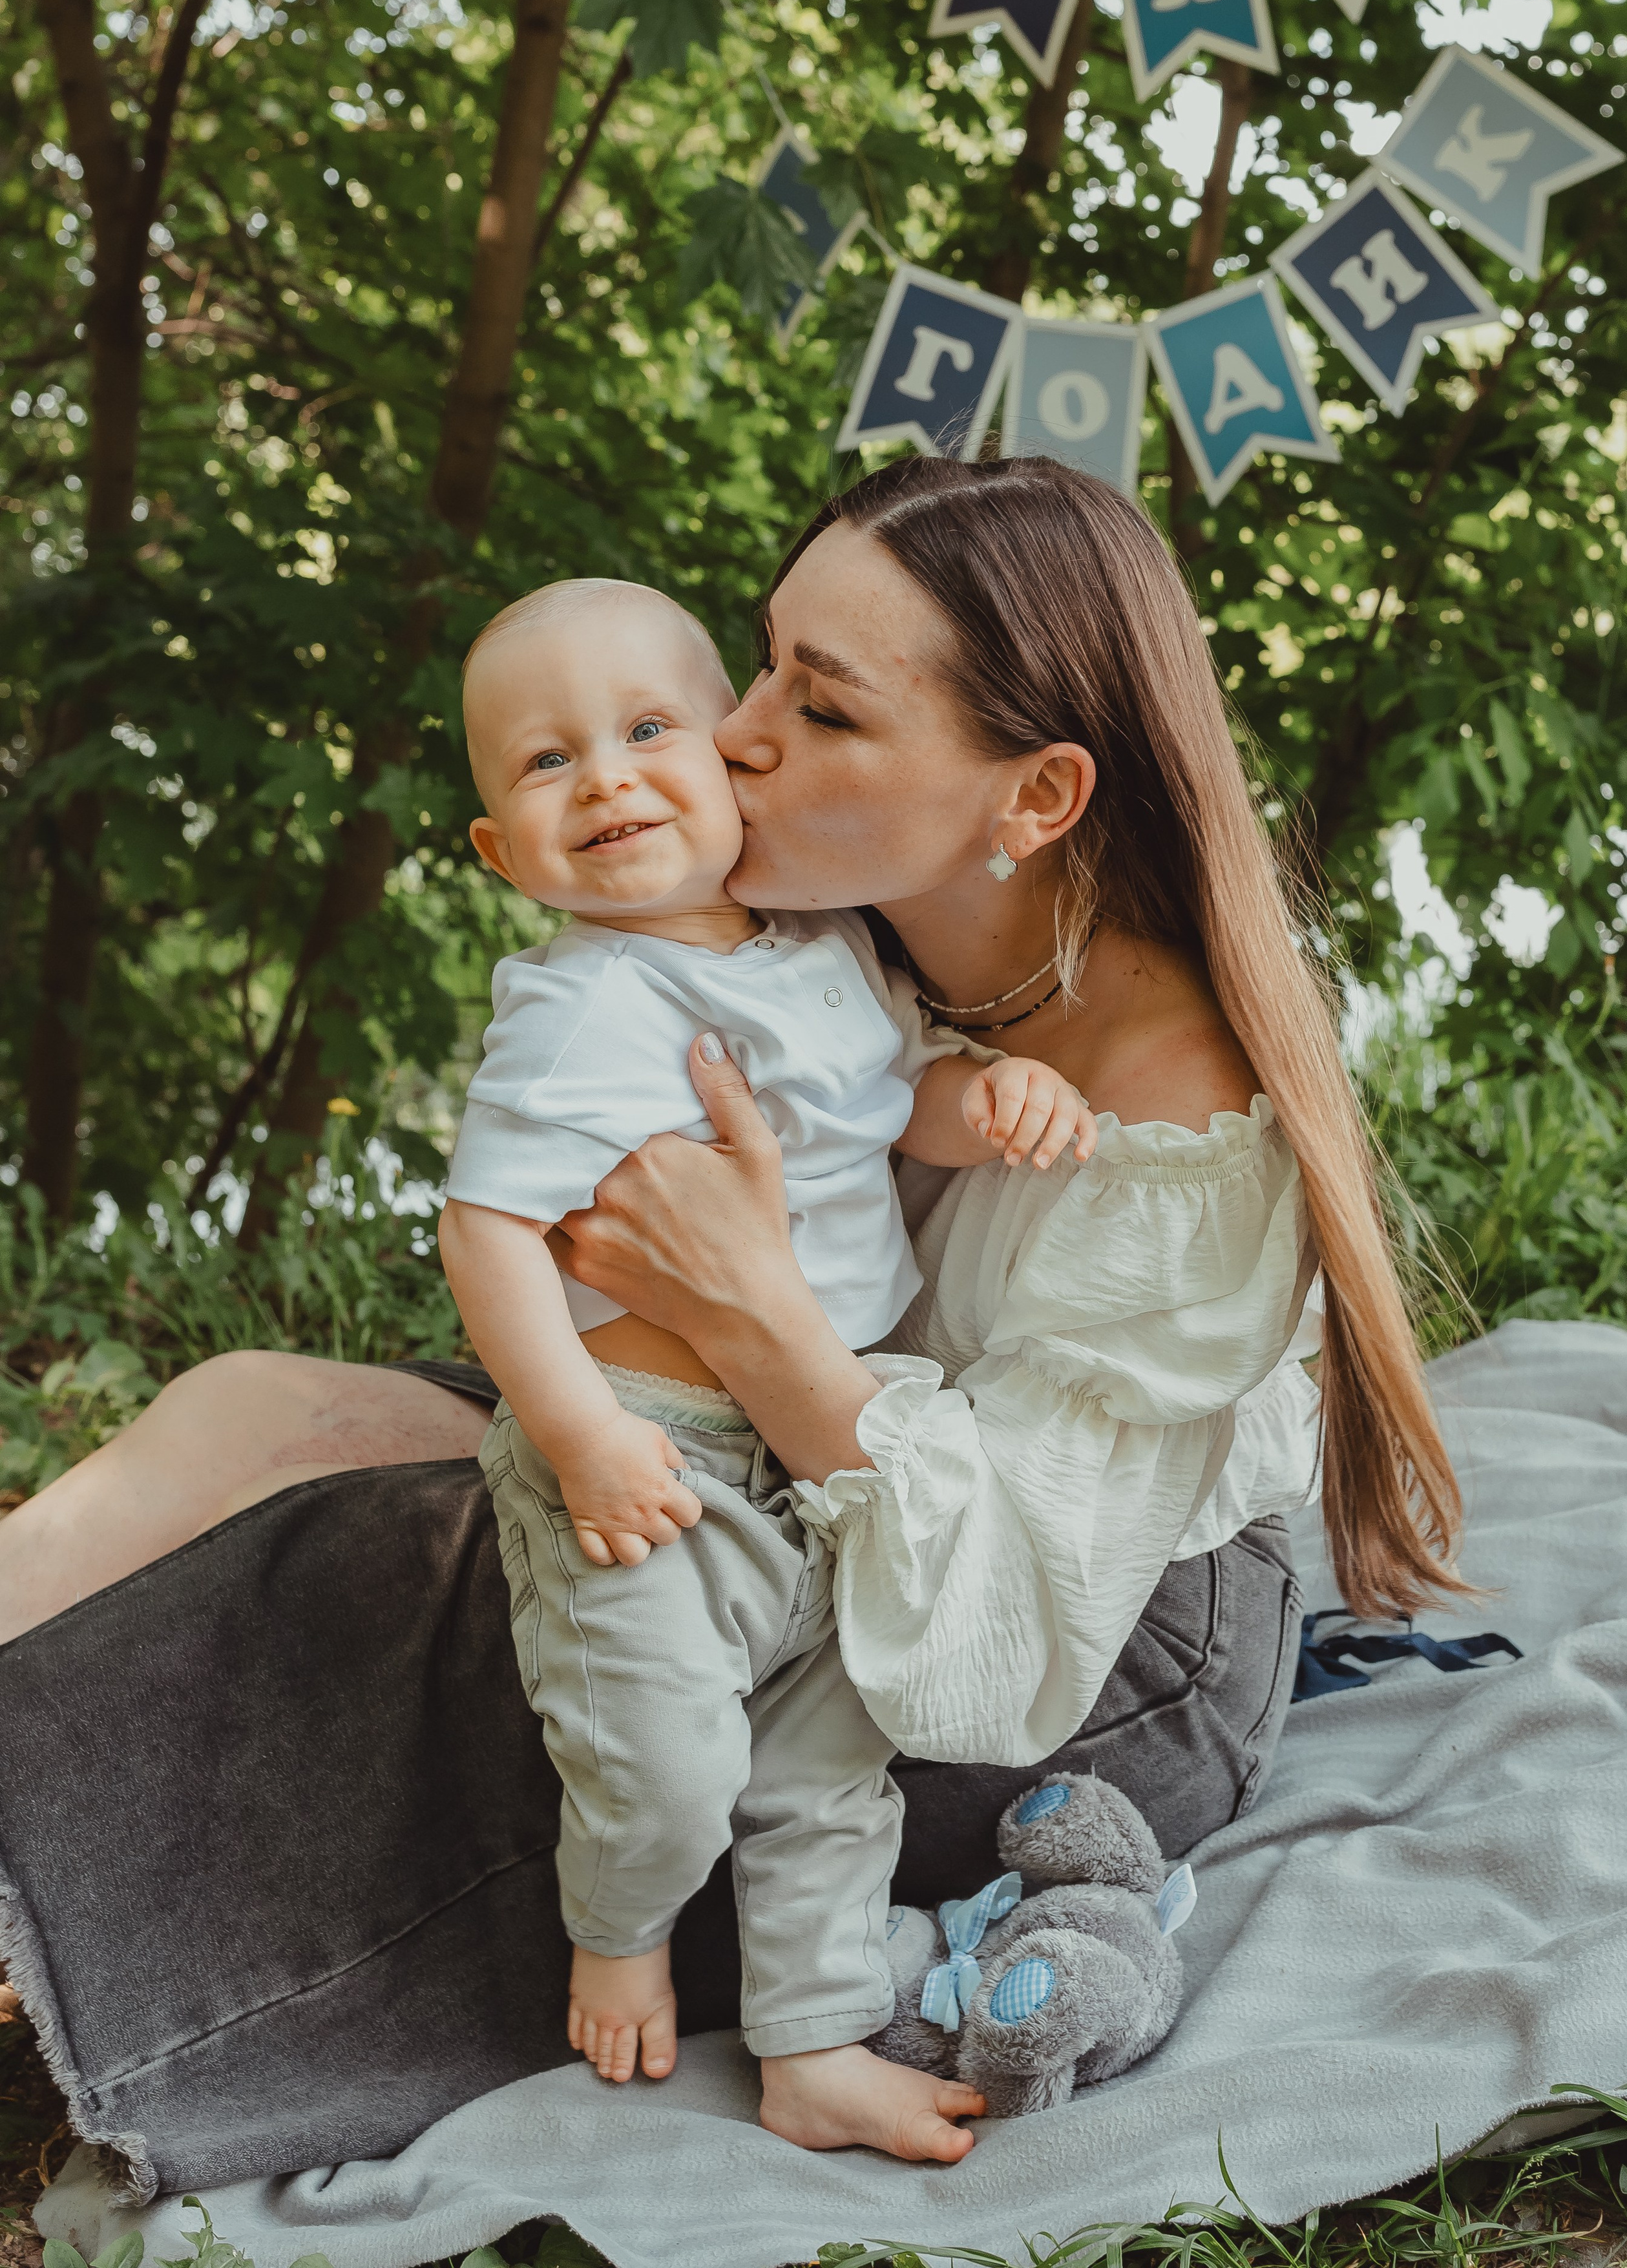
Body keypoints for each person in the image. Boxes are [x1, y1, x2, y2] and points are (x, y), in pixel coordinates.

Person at [0, 455, 1464, 2187]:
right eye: (763, 663)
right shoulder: (828, 938)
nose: (739, 731)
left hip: (1067, 1645)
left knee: (431, 1573)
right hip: (798, 1454)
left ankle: (60, 1939)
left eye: (821, 708)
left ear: (1035, 796)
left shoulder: (1183, 1123)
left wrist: (759, 1314)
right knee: (273, 1416)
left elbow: (1006, 1624)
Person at [439, 572, 1092, 2133]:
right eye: (544, 764)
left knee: (823, 1776)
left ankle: (808, 2051)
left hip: (835, 1451)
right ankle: (618, 1934)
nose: (601, 776)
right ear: (496, 850)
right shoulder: (582, 1000)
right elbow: (486, 1235)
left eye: (647, 727)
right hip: (655, 1451)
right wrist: (580, 1433)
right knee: (661, 1760)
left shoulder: (828, 949)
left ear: (731, 755)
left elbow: (894, 1106)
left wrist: (990, 1105)